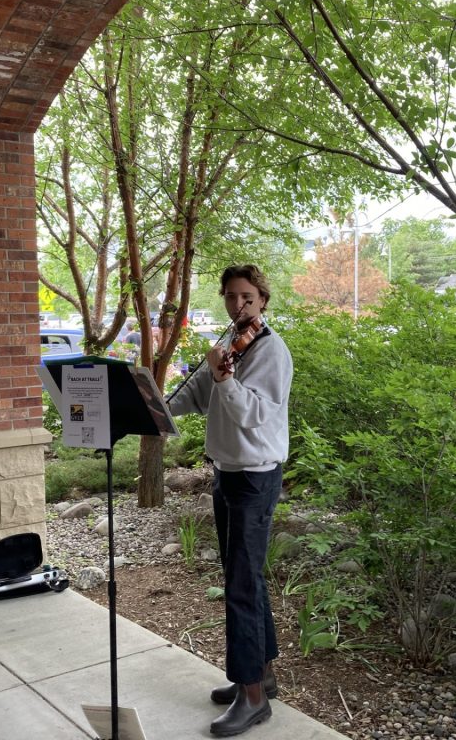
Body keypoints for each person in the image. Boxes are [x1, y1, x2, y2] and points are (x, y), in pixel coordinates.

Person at [167, 264, 293, 737]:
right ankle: (261, 674)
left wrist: (225, 380)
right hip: (227, 473)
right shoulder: (227, 346)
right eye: (230, 296)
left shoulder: (271, 351)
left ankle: (253, 697)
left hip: (255, 479)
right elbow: (197, 396)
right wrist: (155, 404)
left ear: (262, 299)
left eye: (247, 296)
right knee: (244, 576)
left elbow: (255, 415)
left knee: (241, 583)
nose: (238, 304)